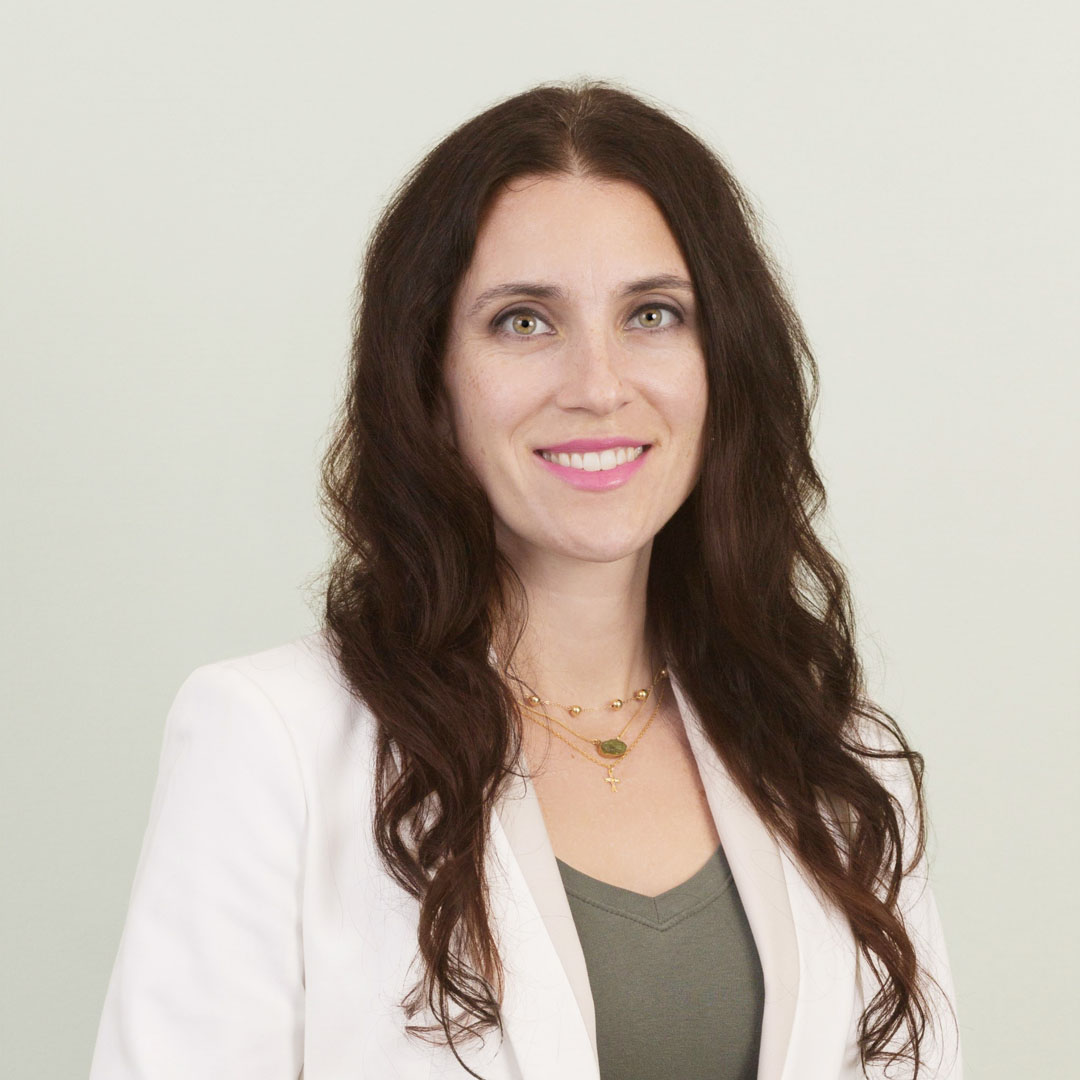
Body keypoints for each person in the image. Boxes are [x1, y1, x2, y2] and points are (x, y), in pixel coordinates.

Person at [88, 78, 962, 1080]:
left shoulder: (842, 764)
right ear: (431, 377)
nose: (597, 384)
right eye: (522, 322)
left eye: (654, 314)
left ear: (726, 362)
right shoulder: (270, 743)